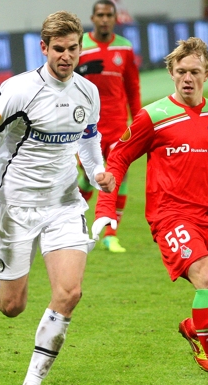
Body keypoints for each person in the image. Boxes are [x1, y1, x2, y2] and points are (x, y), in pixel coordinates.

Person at [93, 37, 208, 385]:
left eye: (195, 72)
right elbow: (119, 159)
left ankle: (194, 328)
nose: (188, 78)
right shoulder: (153, 116)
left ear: (207, 74)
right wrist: (106, 207)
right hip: (171, 216)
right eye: (182, 71)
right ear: (172, 73)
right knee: (206, 277)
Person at [0, 11, 115, 385]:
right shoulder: (20, 92)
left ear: (82, 47)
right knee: (13, 305)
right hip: (15, 208)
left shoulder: (87, 92)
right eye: (59, 49)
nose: (67, 56)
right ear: (44, 48)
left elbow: (89, 138)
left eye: (73, 48)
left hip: (64, 205)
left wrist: (97, 172)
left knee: (70, 292)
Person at [75, 0, 141, 253]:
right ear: (93, 18)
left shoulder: (124, 48)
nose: (104, 19)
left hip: (117, 126)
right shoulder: (80, 47)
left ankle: (111, 234)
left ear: (115, 18)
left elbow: (132, 88)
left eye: (108, 15)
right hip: (85, 128)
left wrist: (137, 122)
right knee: (89, 177)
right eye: (100, 15)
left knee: (118, 175)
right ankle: (74, 224)